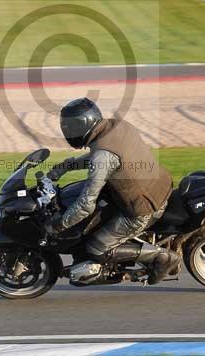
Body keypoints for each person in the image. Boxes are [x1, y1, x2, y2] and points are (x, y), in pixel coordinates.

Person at [44, 97, 180, 285]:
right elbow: (102, 159)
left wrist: (58, 225)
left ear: (81, 126)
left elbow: (85, 205)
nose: (67, 130)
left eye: (69, 127)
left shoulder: (103, 154)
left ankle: (163, 258)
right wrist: (65, 166)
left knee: (97, 247)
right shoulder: (116, 126)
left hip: (143, 208)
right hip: (160, 185)